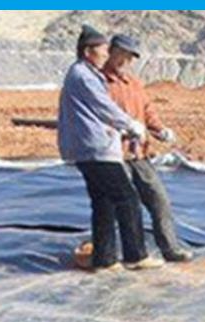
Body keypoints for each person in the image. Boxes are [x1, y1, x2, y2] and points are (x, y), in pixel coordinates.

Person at [57, 24, 163, 271]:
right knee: (127, 198)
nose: (106, 55)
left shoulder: (88, 75)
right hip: (96, 150)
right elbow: (104, 107)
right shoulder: (83, 76)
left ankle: (105, 259)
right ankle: (136, 255)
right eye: (103, 50)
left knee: (103, 202)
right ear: (87, 52)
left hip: (92, 148)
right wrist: (131, 125)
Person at [103, 34, 193, 263]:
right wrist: (121, 129)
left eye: (130, 57)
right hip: (114, 155)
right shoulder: (100, 82)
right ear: (111, 52)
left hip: (138, 154)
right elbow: (98, 115)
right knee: (126, 205)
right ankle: (130, 254)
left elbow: (147, 110)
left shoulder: (133, 84)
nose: (125, 61)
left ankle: (170, 248)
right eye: (122, 55)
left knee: (158, 199)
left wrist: (160, 130)